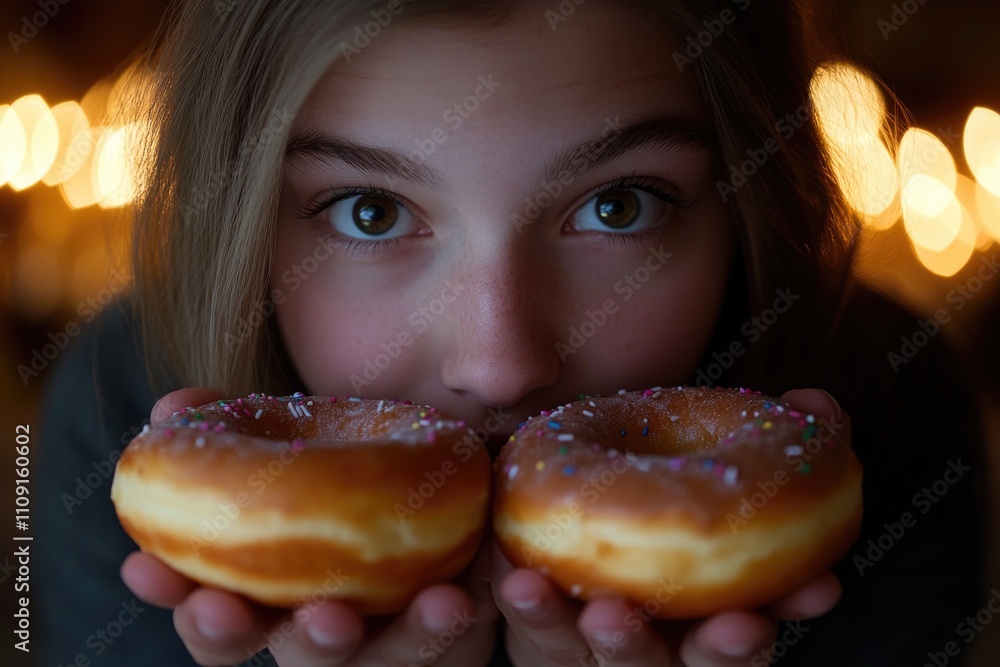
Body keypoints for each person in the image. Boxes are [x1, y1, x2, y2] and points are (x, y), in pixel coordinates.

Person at [37, 0, 987, 665]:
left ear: (751, 200)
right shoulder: (109, 408)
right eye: (368, 210)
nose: (500, 365)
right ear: (238, 217)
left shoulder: (889, 414)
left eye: (619, 206)